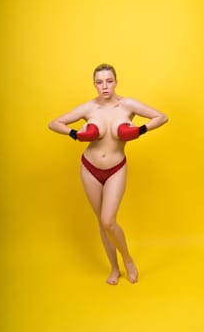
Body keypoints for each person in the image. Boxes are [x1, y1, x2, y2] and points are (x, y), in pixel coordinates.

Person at [48, 63, 168, 285]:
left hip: (116, 168)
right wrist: (75, 134)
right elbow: (54, 123)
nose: (104, 86)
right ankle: (114, 268)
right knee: (101, 222)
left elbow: (161, 117)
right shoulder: (88, 108)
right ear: (94, 84)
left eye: (109, 81)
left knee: (108, 220)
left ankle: (128, 259)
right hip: (89, 168)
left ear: (116, 82)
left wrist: (139, 130)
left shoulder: (127, 105)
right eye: (99, 82)